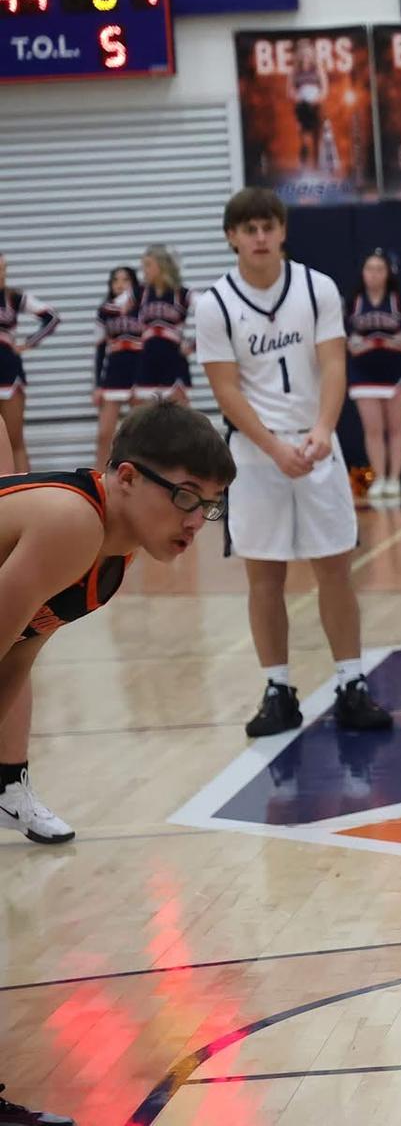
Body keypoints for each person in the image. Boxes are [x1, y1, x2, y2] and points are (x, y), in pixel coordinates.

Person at [194, 187, 393, 738]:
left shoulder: (317, 287)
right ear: (232, 236)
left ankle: (351, 682)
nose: (259, 237)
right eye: (248, 228)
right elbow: (225, 389)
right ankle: (278, 688)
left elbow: (333, 365)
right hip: (256, 456)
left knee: (335, 568)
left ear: (282, 231)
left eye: (268, 226)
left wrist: (323, 430)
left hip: (316, 445)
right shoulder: (213, 304)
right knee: (265, 576)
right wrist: (274, 447)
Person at [0, 401, 235, 848]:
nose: (194, 521)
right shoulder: (73, 523)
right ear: (127, 477)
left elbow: (16, 656)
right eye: (185, 495)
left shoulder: (113, 554)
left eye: (208, 505)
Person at [345, 248, 401, 498]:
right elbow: (332, 326)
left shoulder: (400, 299)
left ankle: (395, 478)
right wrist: (348, 342)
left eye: (379, 269)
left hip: (396, 371)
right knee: (373, 429)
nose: (374, 275)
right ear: (362, 273)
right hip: (363, 373)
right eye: (369, 269)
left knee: (397, 428)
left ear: (387, 273)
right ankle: (380, 478)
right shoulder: (353, 301)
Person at [0, 253, 61, 471]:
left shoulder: (13, 298)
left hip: (9, 370)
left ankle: (25, 492)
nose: (2, 274)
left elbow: (52, 317)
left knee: (15, 439)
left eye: (4, 268)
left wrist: (28, 343)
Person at [92, 265, 143, 467]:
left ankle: (141, 478)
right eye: (116, 280)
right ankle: (97, 478)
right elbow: (99, 351)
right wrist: (98, 386)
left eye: (125, 280)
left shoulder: (143, 308)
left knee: (140, 435)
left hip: (139, 375)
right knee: (105, 434)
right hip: (113, 376)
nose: (120, 284)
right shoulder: (105, 312)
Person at [133, 244, 192, 405]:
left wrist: (194, 344)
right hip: (147, 361)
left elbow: (212, 313)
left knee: (180, 420)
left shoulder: (182, 293)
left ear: (162, 265)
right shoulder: (139, 293)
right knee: (144, 420)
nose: (144, 270)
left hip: (174, 361)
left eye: (148, 265)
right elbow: (113, 314)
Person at [289, 37, 330, 170]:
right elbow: (290, 90)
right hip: (302, 105)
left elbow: (324, 89)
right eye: (302, 53)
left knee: (316, 133)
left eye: (307, 53)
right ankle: (304, 162)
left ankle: (317, 164)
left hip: (315, 104)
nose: (305, 55)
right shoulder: (294, 71)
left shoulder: (318, 69)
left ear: (312, 54)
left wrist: (317, 99)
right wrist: (297, 97)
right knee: (304, 136)